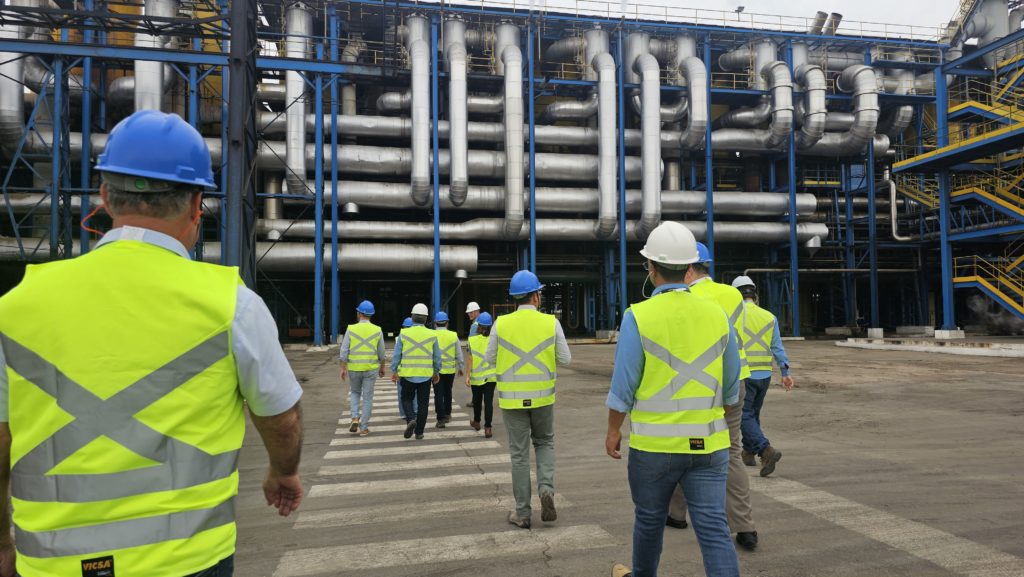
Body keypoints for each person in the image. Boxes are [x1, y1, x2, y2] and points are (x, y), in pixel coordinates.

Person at [0, 110, 304, 577]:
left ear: (105, 195)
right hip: (187, 559)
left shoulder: (17, 306)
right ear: (196, 204)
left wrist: (3, 541)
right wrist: (283, 472)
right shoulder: (231, 304)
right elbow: (282, 420)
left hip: (53, 564)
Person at [606, 221, 741, 577]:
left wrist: (613, 431)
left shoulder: (637, 317)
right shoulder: (718, 316)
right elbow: (731, 391)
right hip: (709, 446)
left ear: (651, 268)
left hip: (654, 449)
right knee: (713, 527)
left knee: (649, 520)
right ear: (689, 267)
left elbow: (623, 388)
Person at [666, 242, 760, 551]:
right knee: (732, 451)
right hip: (736, 380)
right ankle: (745, 527)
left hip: (698, 384)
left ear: (687, 269)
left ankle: (676, 514)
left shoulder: (683, 297)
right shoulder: (732, 294)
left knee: (686, 446)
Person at [485, 270, 571, 529]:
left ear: (514, 298)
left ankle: (523, 513)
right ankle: (546, 489)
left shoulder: (500, 324)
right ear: (535, 296)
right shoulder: (551, 323)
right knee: (544, 443)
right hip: (543, 398)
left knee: (519, 455)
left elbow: (489, 358)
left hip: (512, 401)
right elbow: (566, 359)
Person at [731, 276, 794, 477]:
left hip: (744, 373)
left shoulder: (732, 316)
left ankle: (765, 449)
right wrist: (785, 372)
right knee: (752, 414)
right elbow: (777, 347)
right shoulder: (769, 316)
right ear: (754, 294)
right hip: (764, 375)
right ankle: (749, 452)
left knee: (744, 415)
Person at [391, 304, 440, 440]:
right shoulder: (432, 334)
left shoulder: (403, 334)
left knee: (406, 399)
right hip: (425, 375)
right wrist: (436, 372)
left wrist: (394, 370)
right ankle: (419, 432)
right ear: (426, 319)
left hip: (407, 374)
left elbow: (397, 355)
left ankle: (411, 419)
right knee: (423, 403)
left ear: (412, 317)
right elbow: (437, 357)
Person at [339, 300, 386, 436]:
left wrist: (343, 368)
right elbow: (381, 353)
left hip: (354, 368)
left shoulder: (351, 329)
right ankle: (364, 427)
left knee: (355, 392)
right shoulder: (377, 330)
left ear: (359, 313)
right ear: (371, 315)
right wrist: (382, 367)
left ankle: (354, 417)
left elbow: (343, 351)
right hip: (370, 369)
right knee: (367, 397)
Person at [465, 312, 496, 438]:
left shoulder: (472, 340)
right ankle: (488, 428)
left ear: (478, 326)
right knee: (488, 402)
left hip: (477, 377)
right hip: (491, 377)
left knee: (477, 401)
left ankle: (477, 422)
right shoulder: (494, 340)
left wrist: (468, 376)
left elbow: (470, 359)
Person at [433, 311, 464, 428]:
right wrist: (461, 367)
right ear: (447, 323)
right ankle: (447, 414)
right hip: (450, 370)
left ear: (435, 323)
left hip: (436, 371)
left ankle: (440, 419)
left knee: (438, 394)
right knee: (447, 392)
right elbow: (459, 353)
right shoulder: (453, 335)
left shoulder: (432, 335)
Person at [465, 302, 482, 408]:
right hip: (483, 353)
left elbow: (471, 342)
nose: (469, 314)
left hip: (475, 355)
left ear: (476, 312)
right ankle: (477, 399)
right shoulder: (483, 323)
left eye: (471, 312)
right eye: (468, 313)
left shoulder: (474, 326)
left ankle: (475, 400)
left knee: (474, 377)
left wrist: (470, 352)